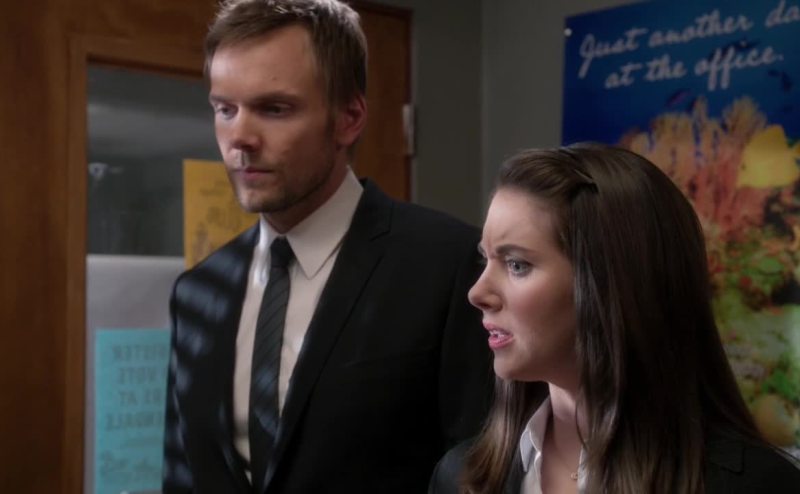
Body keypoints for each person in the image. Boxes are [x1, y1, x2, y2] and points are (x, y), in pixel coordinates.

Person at [161, 0, 492, 492]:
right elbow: (183, 477)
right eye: (225, 109)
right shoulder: (197, 292)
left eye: (274, 109)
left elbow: (480, 470)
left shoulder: (448, 265)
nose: (239, 137)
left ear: (349, 118)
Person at [429, 143, 800, 494]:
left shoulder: (758, 485)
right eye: (486, 259)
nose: (477, 293)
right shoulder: (459, 477)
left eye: (516, 264)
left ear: (613, 284)